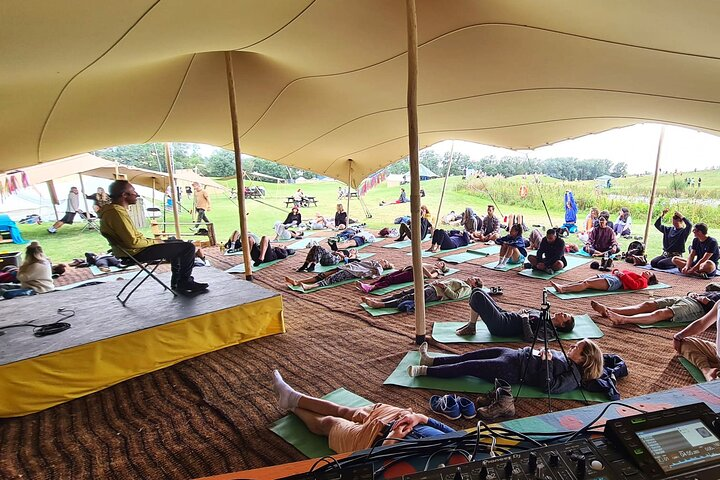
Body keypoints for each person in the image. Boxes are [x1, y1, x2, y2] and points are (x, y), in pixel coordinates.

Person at [271, 370, 455, 454]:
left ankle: (292, 406)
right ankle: (292, 397)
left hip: (373, 446)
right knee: (345, 411)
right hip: (400, 419)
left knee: (328, 423)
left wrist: (389, 443)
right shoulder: (476, 450)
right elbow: (458, 434)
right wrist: (419, 417)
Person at [99, 180, 208, 294]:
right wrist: (156, 241)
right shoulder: (116, 214)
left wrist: (157, 241)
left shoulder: (113, 211)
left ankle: (178, 281)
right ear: (124, 195)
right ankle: (184, 281)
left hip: (131, 251)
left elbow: (132, 239)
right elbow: (133, 242)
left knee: (177, 242)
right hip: (135, 252)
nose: (137, 194)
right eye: (133, 191)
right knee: (188, 247)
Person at [406, 340, 604, 395]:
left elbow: (549, 387)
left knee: (467, 366)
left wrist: (546, 361)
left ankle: (424, 371)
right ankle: (431, 361)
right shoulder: (569, 358)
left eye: (576, 348)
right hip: (514, 354)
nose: (571, 346)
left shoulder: (574, 377)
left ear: (583, 360)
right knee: (467, 356)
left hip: (512, 370)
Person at [454, 285, 575, 339]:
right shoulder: (546, 315)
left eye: (564, 316)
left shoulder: (549, 330)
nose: (561, 313)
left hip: (502, 327)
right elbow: (526, 315)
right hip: (506, 316)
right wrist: (522, 313)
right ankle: (472, 326)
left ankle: (471, 326)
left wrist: (524, 318)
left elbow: (529, 338)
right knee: (477, 290)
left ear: (562, 325)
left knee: (478, 296)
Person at [591, 292, 720, 326]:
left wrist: (707, 302)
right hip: (690, 298)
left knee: (662, 313)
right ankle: (609, 310)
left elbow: (716, 314)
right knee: (648, 304)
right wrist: (692, 293)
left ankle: (623, 319)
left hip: (698, 307)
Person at [673, 303, 720, 382]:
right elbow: (702, 323)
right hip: (717, 354)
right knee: (685, 343)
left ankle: (713, 378)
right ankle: (707, 371)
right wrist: (678, 337)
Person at [362, 277, 474, 309]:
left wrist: (444, 287)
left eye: (475, 278)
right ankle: (382, 299)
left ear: (475, 284)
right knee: (405, 292)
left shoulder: (467, 288)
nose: (472, 277)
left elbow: (455, 296)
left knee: (410, 297)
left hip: (436, 292)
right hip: (432, 287)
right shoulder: (461, 281)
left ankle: (380, 305)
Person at [287, 259, 393, 291]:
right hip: (347, 267)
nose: (382, 260)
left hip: (352, 272)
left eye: (385, 261)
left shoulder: (378, 267)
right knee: (323, 274)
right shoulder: (373, 262)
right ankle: (298, 282)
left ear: (385, 266)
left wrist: (378, 268)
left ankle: (310, 286)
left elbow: (377, 273)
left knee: (330, 279)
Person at [357, 261, 449, 293]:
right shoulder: (430, 264)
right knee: (388, 276)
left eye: (442, 264)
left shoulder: (437, 271)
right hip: (409, 269)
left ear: (442, 268)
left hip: (414, 274)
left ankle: (371, 288)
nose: (439, 263)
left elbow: (430, 276)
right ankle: (369, 285)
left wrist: (420, 266)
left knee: (392, 279)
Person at [550, 269, 657, 294]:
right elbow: (621, 272)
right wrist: (616, 271)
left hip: (616, 281)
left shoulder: (643, 282)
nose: (647, 272)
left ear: (649, 279)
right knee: (584, 281)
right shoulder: (637, 275)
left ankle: (563, 289)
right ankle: (563, 286)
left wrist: (621, 275)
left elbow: (633, 285)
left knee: (587, 284)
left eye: (649, 274)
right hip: (613, 276)